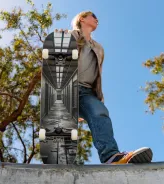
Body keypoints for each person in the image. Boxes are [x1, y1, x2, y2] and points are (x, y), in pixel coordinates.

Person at [65, 11, 153, 164]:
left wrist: (95, 101)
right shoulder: (70, 35)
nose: (96, 19)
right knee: (64, 125)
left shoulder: (98, 48)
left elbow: (96, 75)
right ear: (82, 19)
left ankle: (111, 157)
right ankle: (61, 159)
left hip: (86, 92)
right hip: (66, 86)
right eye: (93, 16)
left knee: (100, 112)